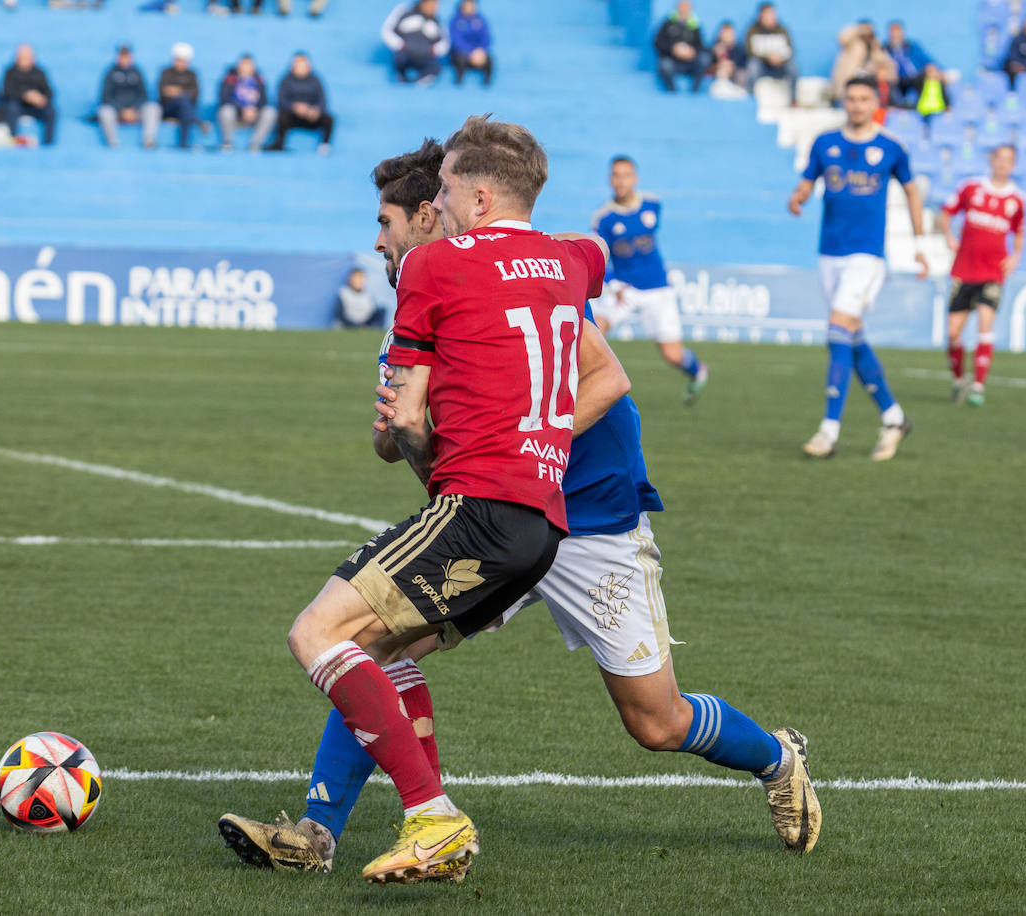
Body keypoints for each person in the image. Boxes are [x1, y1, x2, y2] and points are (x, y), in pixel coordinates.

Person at [217, 138, 820, 879]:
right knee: (378, 641)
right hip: (501, 515)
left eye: (388, 222)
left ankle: (776, 758)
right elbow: (412, 443)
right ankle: (322, 831)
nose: (378, 240)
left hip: (590, 518)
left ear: (430, 219)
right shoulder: (428, 296)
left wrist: (524, 442)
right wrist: (426, 447)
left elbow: (608, 379)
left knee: (656, 721)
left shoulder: (512, 278)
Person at [228, 117, 609, 885]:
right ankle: (338, 830)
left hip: (478, 502)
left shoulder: (434, 269)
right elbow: (584, 250)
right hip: (543, 521)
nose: (434, 205)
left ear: (475, 193)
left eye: (441, 191)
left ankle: (433, 815)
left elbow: (401, 419)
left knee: (315, 634)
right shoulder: (574, 261)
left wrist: (438, 457)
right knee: (379, 647)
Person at [787, 76, 928, 460]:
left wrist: (919, 244)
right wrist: (798, 198)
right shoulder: (824, 143)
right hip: (829, 253)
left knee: (836, 328)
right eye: (851, 99)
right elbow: (806, 182)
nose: (857, 105)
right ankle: (895, 417)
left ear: (875, 102)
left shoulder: (891, 147)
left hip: (867, 256)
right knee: (851, 336)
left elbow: (912, 191)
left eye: (864, 99)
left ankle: (828, 432)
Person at [592, 156, 710, 403]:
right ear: (610, 179)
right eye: (616, 175)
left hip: (658, 289)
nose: (621, 181)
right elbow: (600, 257)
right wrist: (615, 284)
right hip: (625, 289)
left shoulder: (652, 206)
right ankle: (586, 384)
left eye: (626, 175)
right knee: (594, 330)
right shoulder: (603, 219)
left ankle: (698, 370)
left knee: (673, 355)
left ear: (635, 179)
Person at [938, 145, 1026, 407]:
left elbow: (1019, 230)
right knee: (953, 332)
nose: (1002, 164)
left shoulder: (1016, 200)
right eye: (999, 158)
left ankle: (978, 385)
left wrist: (1016, 255)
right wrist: (948, 236)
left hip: (992, 272)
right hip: (964, 270)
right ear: (991, 160)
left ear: (1013, 165)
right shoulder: (971, 188)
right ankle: (958, 380)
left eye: (1008, 160)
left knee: (985, 324)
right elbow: (946, 213)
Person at [267, 53, 333, 154]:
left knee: (329, 119)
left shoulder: (316, 80)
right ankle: (280, 143)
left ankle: (324, 145)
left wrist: (315, 110)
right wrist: (294, 107)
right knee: (281, 116)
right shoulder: (286, 80)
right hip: (293, 116)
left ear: (309, 66)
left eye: (304, 65)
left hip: (311, 116)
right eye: (298, 65)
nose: (301, 68)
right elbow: (281, 100)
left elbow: (322, 100)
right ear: (293, 66)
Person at [97, 45, 160, 149]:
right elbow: (105, 96)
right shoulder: (110, 73)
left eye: (127, 56)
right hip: (116, 112)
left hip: (136, 112)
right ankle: (113, 142)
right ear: (118, 57)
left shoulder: (137, 72)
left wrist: (134, 109)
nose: (125, 59)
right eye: (122, 56)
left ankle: (148, 140)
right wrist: (121, 110)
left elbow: (144, 95)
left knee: (153, 108)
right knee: (104, 111)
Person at [216, 54, 276, 152]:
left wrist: (254, 109)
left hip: (254, 115)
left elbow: (264, 100)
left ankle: (255, 144)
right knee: (225, 110)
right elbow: (224, 99)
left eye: (249, 65)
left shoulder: (259, 79)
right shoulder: (229, 78)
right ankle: (227, 143)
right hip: (236, 115)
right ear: (238, 66)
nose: (246, 67)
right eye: (244, 64)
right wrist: (242, 109)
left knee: (270, 111)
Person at [382, 0, 448, 84]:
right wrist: (400, 45)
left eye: (436, 4)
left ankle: (422, 82)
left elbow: (445, 42)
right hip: (405, 53)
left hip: (426, 56)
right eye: (432, 4)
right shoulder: (404, 12)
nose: (435, 7)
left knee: (435, 67)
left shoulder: (437, 21)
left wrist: (434, 50)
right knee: (400, 60)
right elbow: (387, 30)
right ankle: (401, 78)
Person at [2, 44, 56, 146]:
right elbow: (7, 92)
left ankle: (48, 143)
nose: (25, 60)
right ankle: (12, 139)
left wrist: (41, 99)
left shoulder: (39, 72)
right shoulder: (10, 72)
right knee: (11, 107)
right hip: (18, 105)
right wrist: (25, 96)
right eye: (22, 57)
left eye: (28, 57)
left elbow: (49, 92)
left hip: (36, 107)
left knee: (51, 110)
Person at [744, 2, 797, 104]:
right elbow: (750, 52)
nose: (770, 17)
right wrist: (768, 58)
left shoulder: (782, 30)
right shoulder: (752, 30)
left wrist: (780, 59)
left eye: (772, 14)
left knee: (793, 67)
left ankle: (793, 99)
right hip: (762, 66)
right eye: (767, 14)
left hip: (780, 66)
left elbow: (790, 51)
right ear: (760, 15)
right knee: (753, 66)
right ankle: (751, 98)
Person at [832, 20, 896, 104]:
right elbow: (842, 37)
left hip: (867, 85)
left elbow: (888, 64)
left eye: (869, 31)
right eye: (865, 31)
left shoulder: (875, 46)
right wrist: (859, 29)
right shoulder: (852, 44)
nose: (867, 34)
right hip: (848, 84)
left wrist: (885, 74)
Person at [653, 1, 708, 93]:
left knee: (704, 59)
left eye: (687, 7)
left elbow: (701, 46)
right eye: (682, 6)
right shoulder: (668, 23)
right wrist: (673, 49)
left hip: (690, 62)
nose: (684, 9)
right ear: (677, 8)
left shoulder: (695, 25)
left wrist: (692, 51)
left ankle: (695, 90)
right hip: (672, 61)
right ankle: (672, 90)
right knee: (665, 65)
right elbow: (657, 42)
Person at [157, 42, 201, 149]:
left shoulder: (192, 75)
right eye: (178, 60)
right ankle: (196, 121)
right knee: (184, 102)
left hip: (184, 109)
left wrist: (177, 92)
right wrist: (183, 93)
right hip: (168, 108)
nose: (180, 63)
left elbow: (194, 94)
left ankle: (184, 142)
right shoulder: (166, 72)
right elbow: (163, 93)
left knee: (184, 104)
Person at [883, 20, 938, 107]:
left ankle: (923, 106)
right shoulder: (885, 49)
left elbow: (927, 61)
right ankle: (892, 107)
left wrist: (932, 69)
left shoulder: (912, 46)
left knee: (928, 76)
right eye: (893, 31)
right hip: (896, 78)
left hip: (914, 77)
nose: (895, 34)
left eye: (898, 31)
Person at [448, 0, 493, 86]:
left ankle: (487, 84)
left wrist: (481, 51)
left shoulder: (481, 20)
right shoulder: (455, 21)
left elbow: (486, 38)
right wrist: (470, 52)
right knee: (460, 58)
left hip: (478, 53)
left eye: (472, 5)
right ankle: (458, 83)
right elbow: (455, 40)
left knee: (490, 59)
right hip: (462, 53)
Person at [708, 21, 748, 90]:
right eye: (725, 33)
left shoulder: (739, 48)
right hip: (719, 75)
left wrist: (730, 65)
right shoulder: (714, 48)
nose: (727, 36)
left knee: (741, 75)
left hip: (735, 74)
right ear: (720, 34)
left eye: (729, 33)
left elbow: (741, 63)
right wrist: (718, 59)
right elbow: (709, 66)